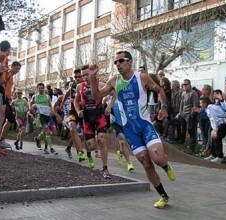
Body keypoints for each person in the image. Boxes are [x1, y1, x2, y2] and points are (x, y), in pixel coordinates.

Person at [88, 51, 176, 209]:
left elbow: (160, 90)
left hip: (145, 126)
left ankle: (165, 166)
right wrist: (93, 77)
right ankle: (163, 196)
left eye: (121, 61)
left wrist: (163, 107)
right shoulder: (114, 81)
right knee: (146, 164)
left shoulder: (142, 77)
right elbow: (96, 95)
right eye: (115, 62)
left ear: (130, 62)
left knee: (158, 159)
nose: (118, 64)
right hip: (130, 130)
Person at [74, 65, 112, 178]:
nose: (85, 77)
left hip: (99, 117)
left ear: (91, 74)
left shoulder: (100, 85)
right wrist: (78, 111)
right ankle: (92, 149)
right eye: (83, 75)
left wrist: (109, 106)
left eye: (87, 74)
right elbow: (76, 101)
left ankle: (105, 168)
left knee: (102, 140)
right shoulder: (80, 87)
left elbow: (114, 94)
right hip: (87, 119)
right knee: (92, 146)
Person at [61, 69, 87, 161]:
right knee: (72, 128)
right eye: (76, 77)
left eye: (80, 76)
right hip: (73, 111)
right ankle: (80, 153)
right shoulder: (73, 85)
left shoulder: (87, 86)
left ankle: (69, 147)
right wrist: (62, 104)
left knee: (83, 134)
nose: (78, 78)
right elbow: (67, 94)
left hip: (83, 111)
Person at [0, 61, 22, 147]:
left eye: (19, 69)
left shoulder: (11, 76)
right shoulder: (8, 73)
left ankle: (0, 138)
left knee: (7, 118)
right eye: (16, 68)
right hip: (3, 97)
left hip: (7, 98)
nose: (17, 71)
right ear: (12, 67)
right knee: (8, 118)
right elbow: (2, 82)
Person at [31, 83, 58, 155]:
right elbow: (30, 105)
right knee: (47, 129)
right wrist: (33, 110)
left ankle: (38, 139)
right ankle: (51, 149)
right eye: (39, 88)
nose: (41, 89)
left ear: (44, 88)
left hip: (47, 115)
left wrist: (52, 111)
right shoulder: (35, 97)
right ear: (37, 89)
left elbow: (50, 105)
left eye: (42, 88)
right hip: (40, 116)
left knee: (48, 132)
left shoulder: (47, 96)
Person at [204, 90, 226, 163]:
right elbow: (212, 118)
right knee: (213, 137)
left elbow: (225, 109)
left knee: (217, 137)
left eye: (217, 94)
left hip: (223, 123)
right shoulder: (211, 106)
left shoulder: (223, 102)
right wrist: (214, 129)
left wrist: (215, 129)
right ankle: (214, 154)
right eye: (214, 94)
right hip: (217, 124)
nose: (215, 96)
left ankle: (219, 156)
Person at [178, 79, 199, 152]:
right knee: (182, 129)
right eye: (183, 84)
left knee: (191, 130)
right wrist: (180, 112)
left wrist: (192, 114)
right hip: (183, 113)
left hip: (190, 114)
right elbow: (182, 103)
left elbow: (195, 104)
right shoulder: (183, 93)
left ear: (189, 85)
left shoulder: (193, 93)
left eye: (186, 84)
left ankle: (192, 148)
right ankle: (183, 144)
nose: (184, 86)